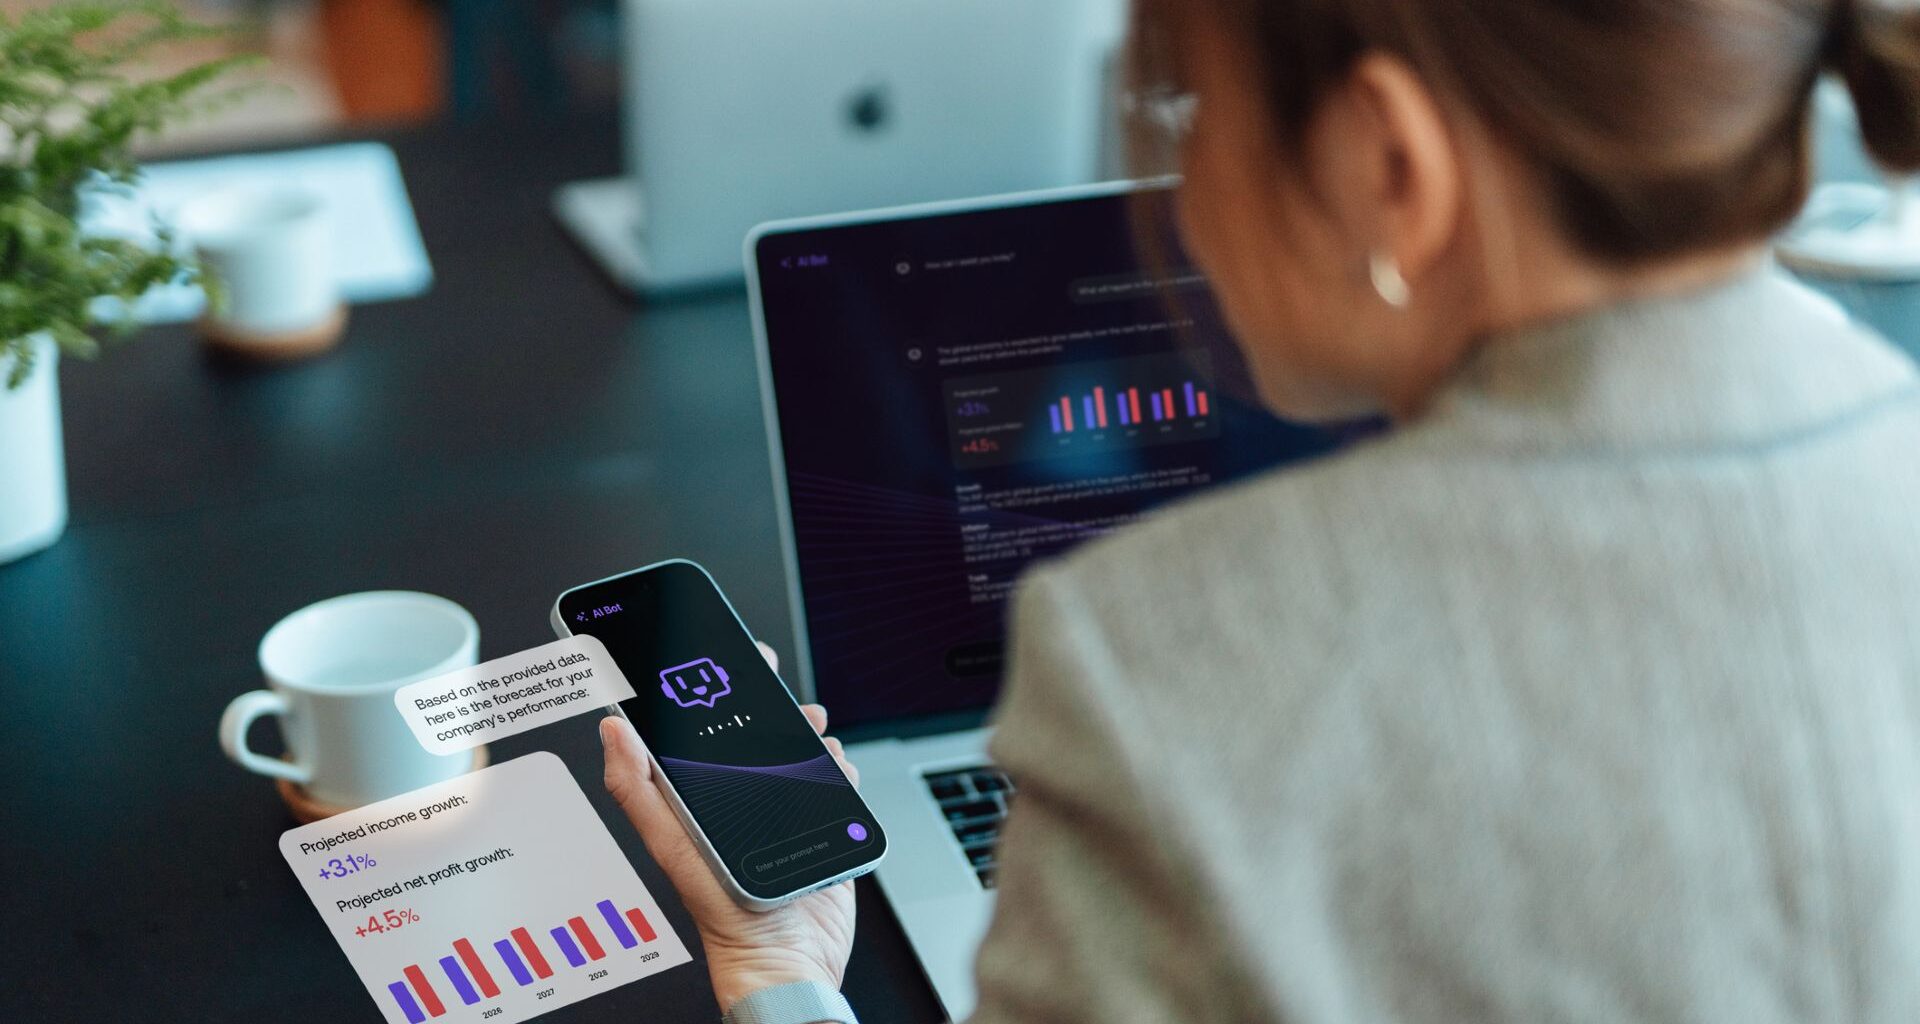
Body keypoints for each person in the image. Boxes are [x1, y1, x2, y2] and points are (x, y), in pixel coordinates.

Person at [603, 0, 1920, 1019]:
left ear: (1384, 158)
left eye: (1186, 113)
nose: (1171, 192)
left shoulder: (1152, 659)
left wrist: (773, 966)